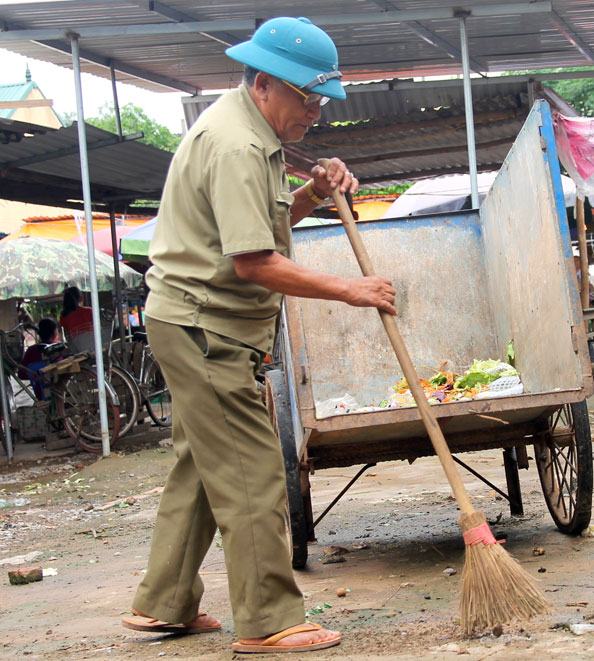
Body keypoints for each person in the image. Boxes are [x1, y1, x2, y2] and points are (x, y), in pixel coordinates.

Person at [121, 17, 395, 655]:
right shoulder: (239, 144)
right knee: (251, 473)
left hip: (193, 318)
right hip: (204, 324)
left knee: (201, 466)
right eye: (308, 98)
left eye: (320, 100)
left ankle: (161, 603)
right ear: (266, 83)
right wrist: (350, 289)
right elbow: (254, 262)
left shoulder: (246, 129)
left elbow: (259, 227)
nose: (315, 114)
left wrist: (312, 192)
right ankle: (270, 619)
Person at [19, 317, 57, 399]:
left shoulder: (31, 350)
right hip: (62, 391)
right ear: (54, 332)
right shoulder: (60, 347)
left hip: (41, 395)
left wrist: (36, 376)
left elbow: (21, 374)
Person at [59, 286, 94, 351]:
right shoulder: (90, 311)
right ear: (81, 298)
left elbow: (66, 337)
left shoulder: (63, 317)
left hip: (77, 350)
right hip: (93, 346)